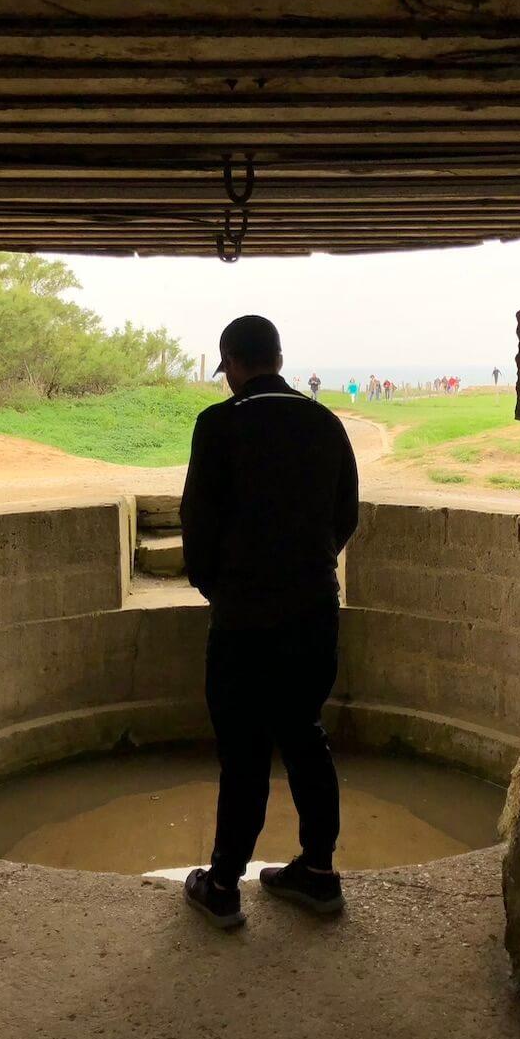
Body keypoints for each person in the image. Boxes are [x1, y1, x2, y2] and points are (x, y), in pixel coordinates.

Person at [180, 315, 359, 928]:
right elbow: (345, 515)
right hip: (313, 613)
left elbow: (198, 525)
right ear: (279, 358)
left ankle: (225, 882)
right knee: (305, 734)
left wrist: (220, 588)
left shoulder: (218, 425)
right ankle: (318, 872)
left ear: (230, 363)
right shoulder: (325, 421)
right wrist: (306, 571)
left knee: (245, 750)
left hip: (244, 621)